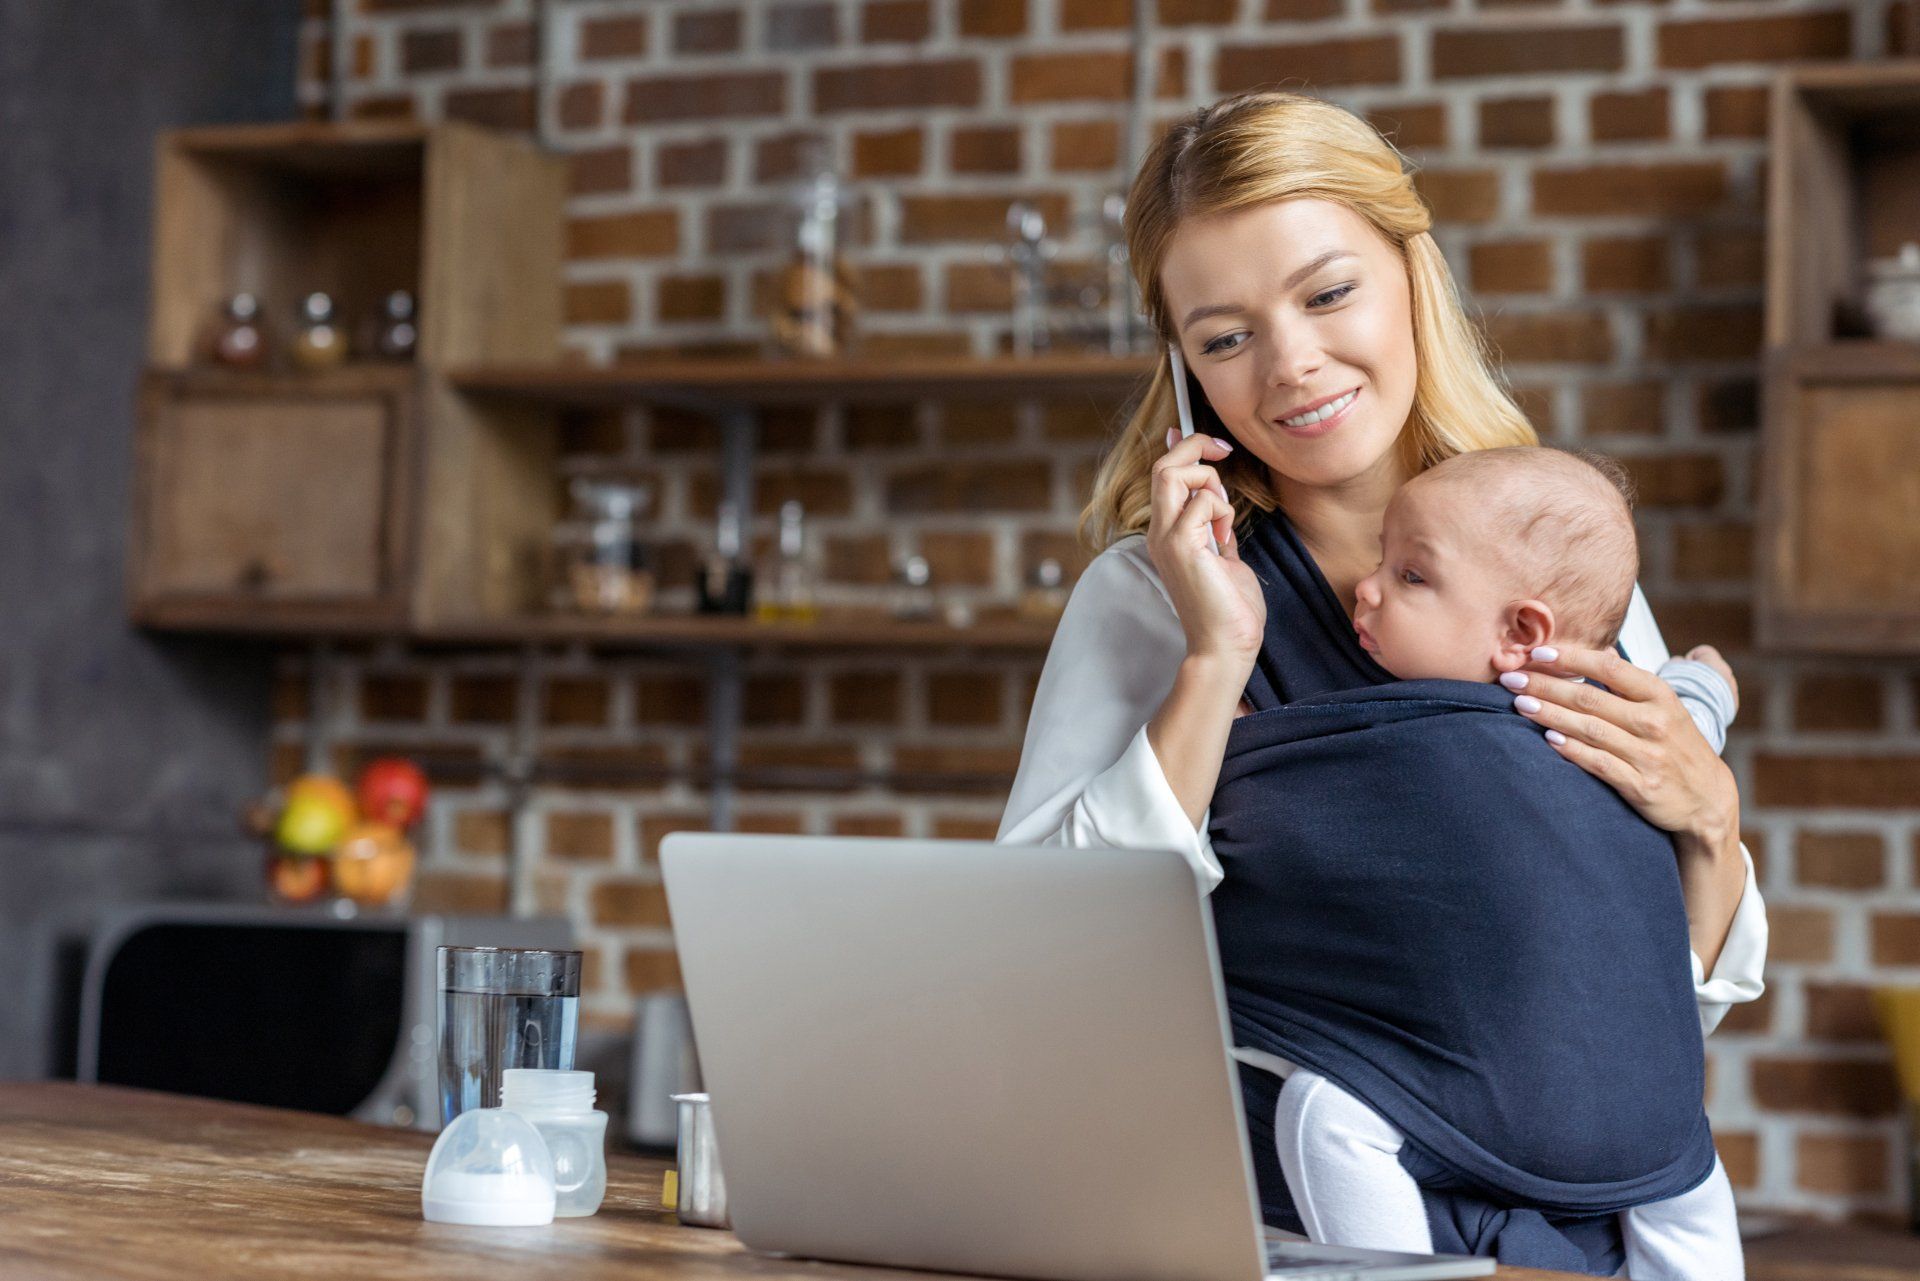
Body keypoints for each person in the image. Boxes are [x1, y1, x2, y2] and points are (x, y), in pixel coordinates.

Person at [994, 89, 1766, 1275]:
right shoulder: (1151, 597)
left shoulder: (1546, 562)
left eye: (1328, 292)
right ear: (1184, 363)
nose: (1292, 365)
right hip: (1287, 1231)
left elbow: (1631, 1003)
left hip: (1578, 1238)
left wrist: (1711, 825)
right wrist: (1215, 662)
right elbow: (1034, 963)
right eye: (1225, 335)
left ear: (1415, 273)